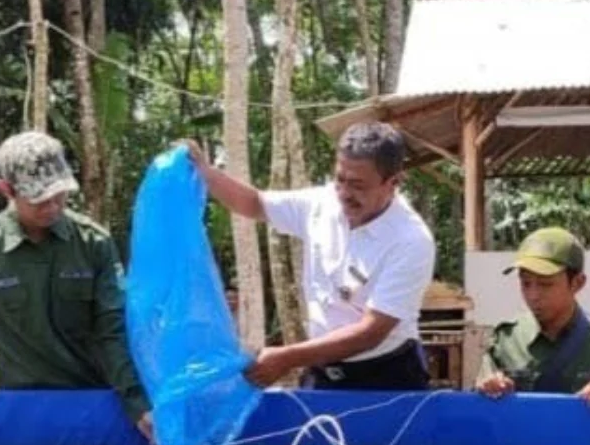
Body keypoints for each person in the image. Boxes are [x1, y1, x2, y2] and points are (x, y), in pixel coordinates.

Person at [0, 131, 154, 444]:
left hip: (96, 400)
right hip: (21, 407)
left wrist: (137, 404)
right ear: (6, 189)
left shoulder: (93, 243)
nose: (52, 207)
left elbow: (113, 330)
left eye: (60, 195)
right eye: (39, 199)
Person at [184, 121, 436, 390]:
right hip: (323, 369)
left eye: (358, 185)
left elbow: (371, 332)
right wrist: (205, 173)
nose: (344, 194)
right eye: (340, 179)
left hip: (386, 375)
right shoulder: (321, 205)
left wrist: (285, 358)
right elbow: (255, 203)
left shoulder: (410, 240)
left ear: (394, 182)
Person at [477, 227, 590, 407]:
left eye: (545, 284)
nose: (533, 295)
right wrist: (488, 387)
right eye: (525, 283)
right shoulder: (505, 340)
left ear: (577, 283)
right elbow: (482, 414)